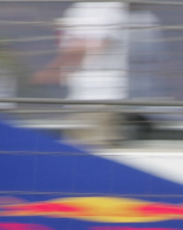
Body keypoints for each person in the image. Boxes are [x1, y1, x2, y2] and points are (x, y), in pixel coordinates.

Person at [37, 1, 164, 142]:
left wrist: (50, 71)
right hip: (79, 98)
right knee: (75, 153)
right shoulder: (78, 9)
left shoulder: (110, 8)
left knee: (90, 151)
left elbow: (95, 44)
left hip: (102, 99)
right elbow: (72, 47)